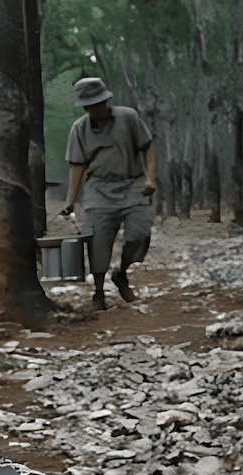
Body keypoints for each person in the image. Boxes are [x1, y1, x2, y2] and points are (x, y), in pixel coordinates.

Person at [60, 77, 157, 311]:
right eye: (90, 106)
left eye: (99, 103)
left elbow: (148, 146)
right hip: (98, 189)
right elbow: (77, 167)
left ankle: (122, 273)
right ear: (84, 107)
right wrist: (70, 201)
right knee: (98, 240)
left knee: (139, 233)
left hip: (132, 183)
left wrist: (150, 177)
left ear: (106, 100)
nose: (96, 109)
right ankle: (99, 293)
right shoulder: (79, 129)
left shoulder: (128, 117)